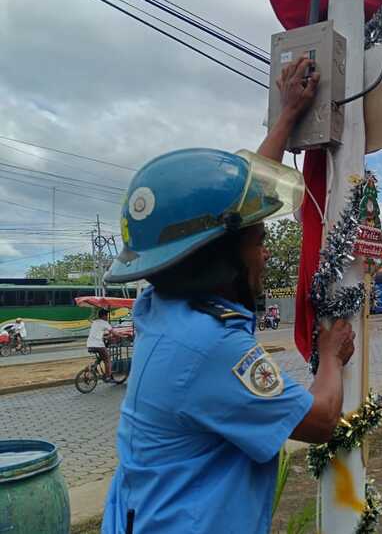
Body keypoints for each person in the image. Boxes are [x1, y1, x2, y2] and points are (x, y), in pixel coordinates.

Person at [101, 57, 356, 534]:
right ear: (219, 259)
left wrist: (288, 116)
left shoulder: (159, 307)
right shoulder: (211, 346)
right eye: (258, 242)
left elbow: (228, 213)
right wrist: (331, 357)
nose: (265, 254)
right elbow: (321, 421)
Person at [87, 309, 114, 382]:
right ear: (104, 316)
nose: (107, 317)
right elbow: (113, 332)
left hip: (89, 344)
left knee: (101, 357)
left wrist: (105, 337)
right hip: (98, 345)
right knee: (107, 359)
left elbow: (97, 334)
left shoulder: (95, 322)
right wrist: (121, 336)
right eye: (106, 315)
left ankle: (93, 367)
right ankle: (108, 377)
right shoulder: (105, 323)